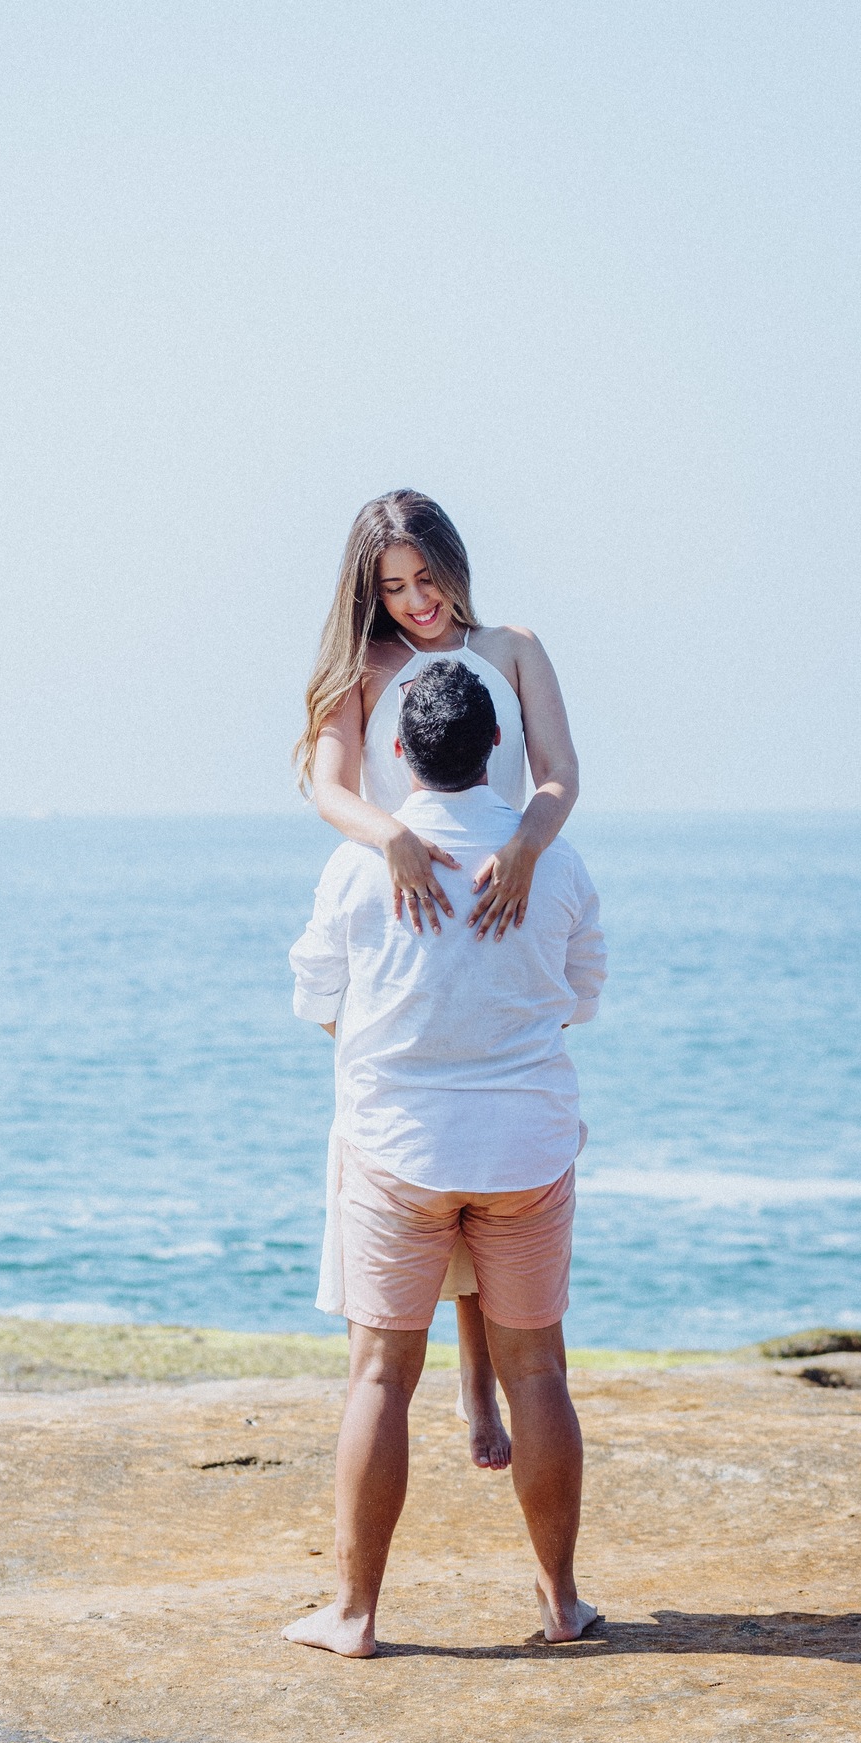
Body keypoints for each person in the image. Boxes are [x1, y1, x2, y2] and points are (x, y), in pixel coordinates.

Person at [285, 659, 605, 1657]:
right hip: (525, 1152)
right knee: (538, 1374)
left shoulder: (358, 863)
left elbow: (318, 1000)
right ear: (496, 750)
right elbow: (581, 994)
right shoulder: (549, 858)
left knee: (381, 1376)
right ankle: (560, 1604)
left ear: (396, 752)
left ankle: (356, 1616)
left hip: (399, 1153)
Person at [294, 490, 580, 1471]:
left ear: (456, 566)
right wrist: (396, 839)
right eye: (393, 588)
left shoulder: (512, 649)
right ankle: (439, 1392)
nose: (417, 603)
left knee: (488, 1159)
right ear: (367, 593)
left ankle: (483, 1386)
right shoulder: (360, 668)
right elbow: (328, 787)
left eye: (427, 580)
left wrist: (533, 847)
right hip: (403, 916)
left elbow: (557, 774)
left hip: (504, 910)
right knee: (412, 1155)